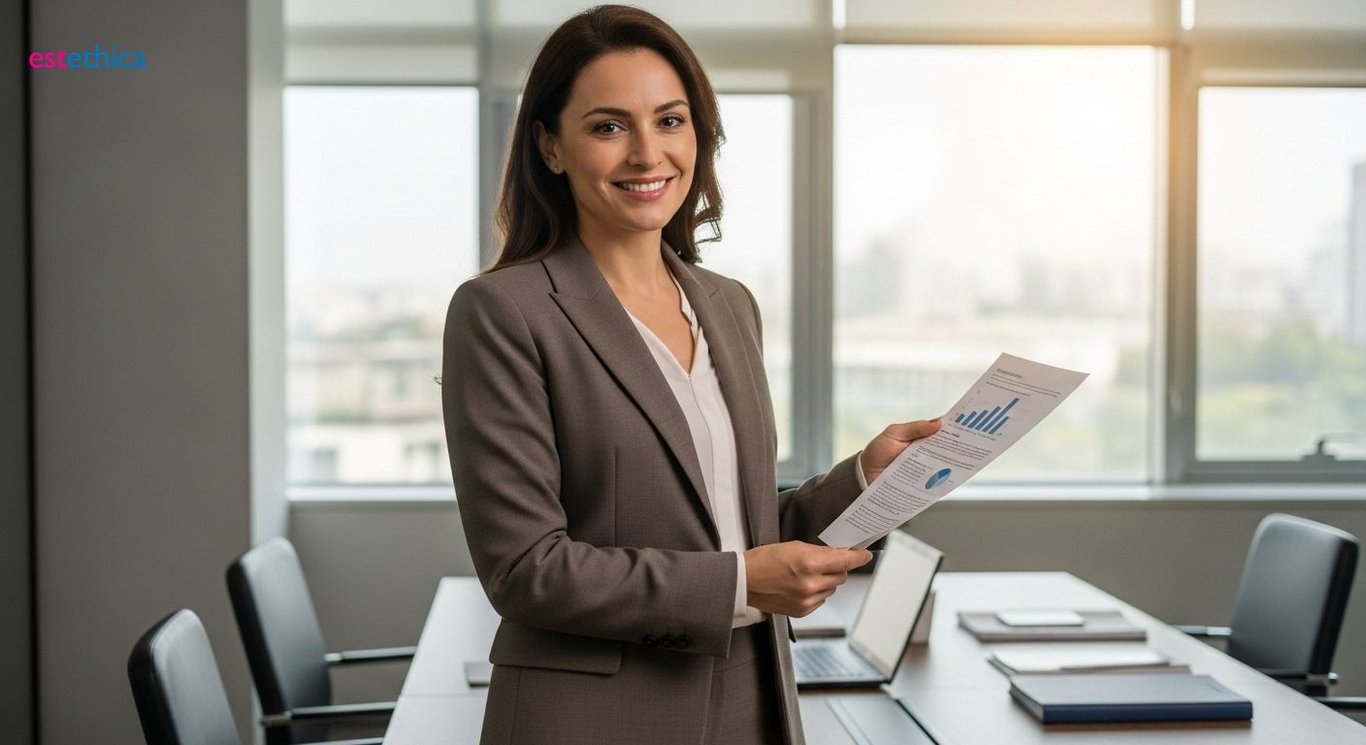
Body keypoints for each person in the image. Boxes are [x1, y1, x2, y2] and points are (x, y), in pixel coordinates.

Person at [441, 6, 940, 745]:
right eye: (609, 127)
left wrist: (866, 479)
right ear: (551, 145)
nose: (648, 154)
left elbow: (742, 529)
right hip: (593, 722)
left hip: (752, 700)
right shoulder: (503, 312)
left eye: (669, 121)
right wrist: (740, 583)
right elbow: (526, 568)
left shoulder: (728, 304)